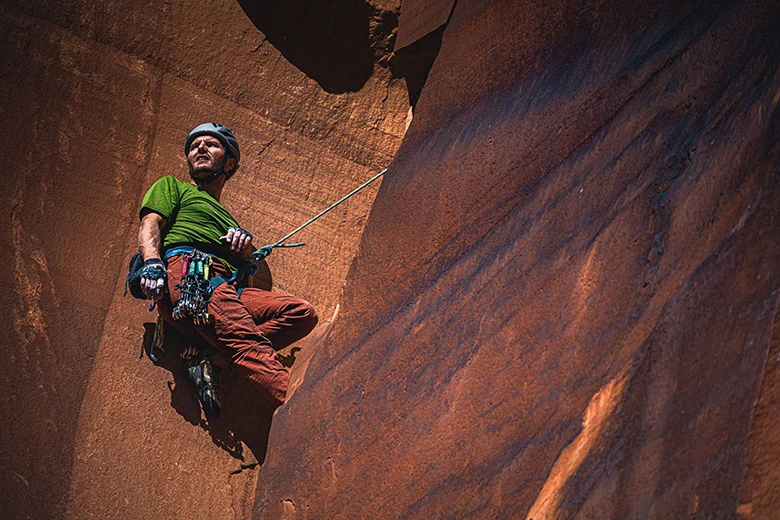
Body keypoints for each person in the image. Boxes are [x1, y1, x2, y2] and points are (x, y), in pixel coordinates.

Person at [135, 122, 317, 416]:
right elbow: (150, 225)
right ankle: (302, 411)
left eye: (211, 144)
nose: (201, 148)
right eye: (195, 146)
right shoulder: (173, 187)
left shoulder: (227, 218)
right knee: (247, 342)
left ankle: (212, 357)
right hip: (189, 275)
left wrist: (244, 250)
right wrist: (153, 263)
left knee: (302, 313)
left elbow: (246, 279)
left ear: (229, 163)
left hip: (225, 287)